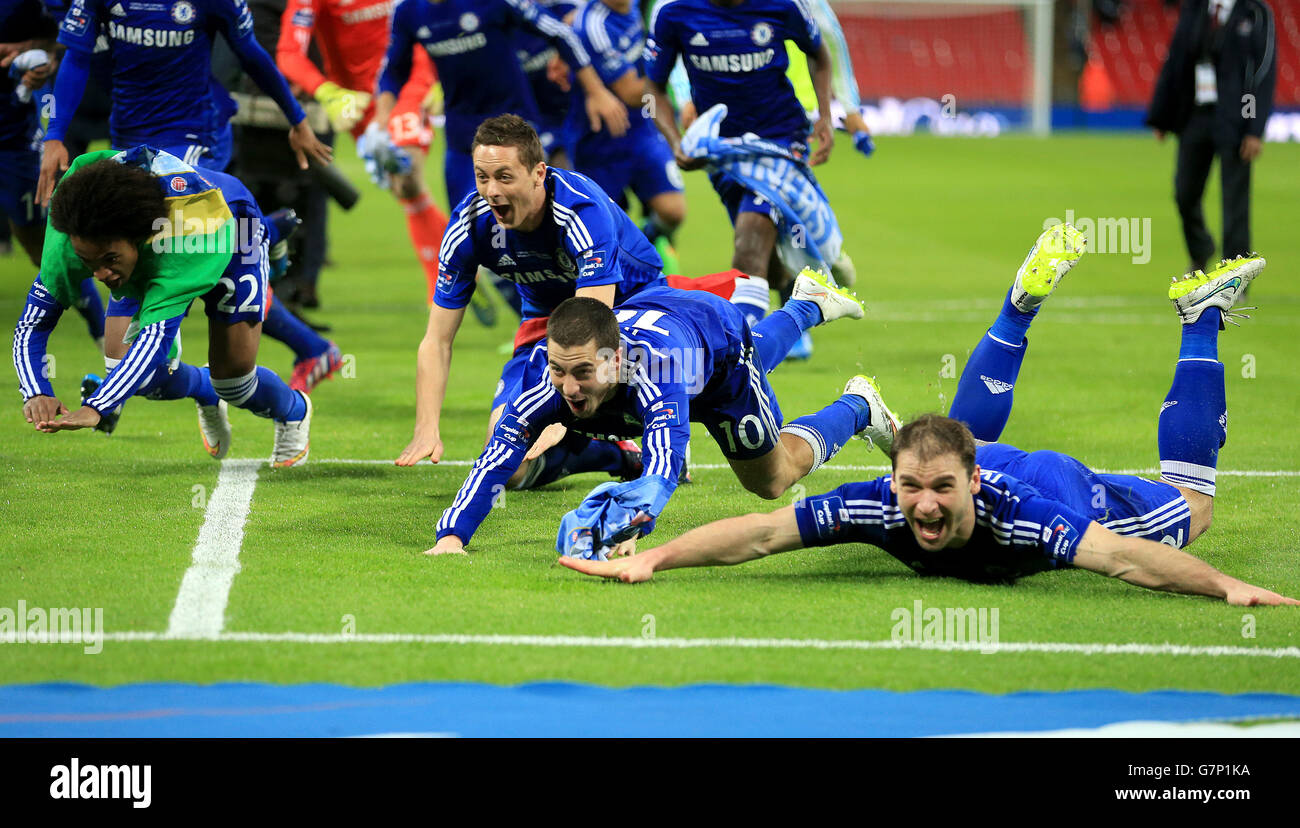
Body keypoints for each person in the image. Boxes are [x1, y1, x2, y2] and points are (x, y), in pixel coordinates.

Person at [558, 230, 1296, 608]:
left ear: (972, 486)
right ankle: (1017, 312)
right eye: (913, 488)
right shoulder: (886, 501)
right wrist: (652, 557)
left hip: (1053, 483)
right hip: (983, 457)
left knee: (1192, 512)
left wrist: (1224, 584)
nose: (924, 505)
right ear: (898, 480)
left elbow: (1129, 560)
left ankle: (1198, 319)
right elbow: (758, 533)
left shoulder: (1032, 518)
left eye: (940, 491)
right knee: (954, 444)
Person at [395, 114, 768, 472]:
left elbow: (593, 323)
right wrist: (426, 427)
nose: (492, 191)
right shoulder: (468, 228)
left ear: (538, 173)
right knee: (508, 459)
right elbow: (437, 340)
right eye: (482, 177)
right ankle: (616, 456)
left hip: (632, 309)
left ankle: (664, 436)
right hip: (547, 322)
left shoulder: (579, 210)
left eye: (504, 177)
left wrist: (556, 412)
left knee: (621, 391)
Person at [425, 273, 888, 557]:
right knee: (758, 357)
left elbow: (666, 464)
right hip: (668, 322)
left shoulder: (656, 372)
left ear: (614, 358)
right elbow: (497, 458)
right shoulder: (550, 378)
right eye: (558, 370)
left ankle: (859, 405)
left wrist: (632, 520)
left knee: (772, 479)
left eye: (582, 372)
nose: (567, 388)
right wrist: (452, 536)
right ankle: (807, 303)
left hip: (715, 345)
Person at [13, 147, 314, 467]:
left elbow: (154, 340)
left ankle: (295, 410)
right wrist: (36, 390)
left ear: (141, 239)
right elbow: (32, 324)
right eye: (90, 262)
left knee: (234, 382)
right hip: (153, 245)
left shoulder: (178, 251)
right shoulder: (74, 233)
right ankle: (203, 390)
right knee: (127, 373)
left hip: (230, 229)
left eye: (109, 261)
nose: (100, 276)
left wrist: (96, 407)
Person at [644, 0, 845, 360]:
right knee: (760, 239)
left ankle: (745, 357)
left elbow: (820, 53)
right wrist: (677, 143)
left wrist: (826, 115)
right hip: (719, 150)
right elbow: (653, 88)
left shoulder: (783, 6)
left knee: (751, 237)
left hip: (780, 140)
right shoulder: (675, 13)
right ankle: (797, 299)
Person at [276, 0, 451, 304]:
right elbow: (289, 53)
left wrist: (435, 73)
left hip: (408, 81)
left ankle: (443, 284)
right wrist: (326, 92)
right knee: (404, 189)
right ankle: (452, 270)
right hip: (357, 100)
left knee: (407, 174)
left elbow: (422, 16)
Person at [1146, 0, 1275, 273]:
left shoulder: (1256, 12)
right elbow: (1176, 58)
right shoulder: (1195, 7)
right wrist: (1162, 114)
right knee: (1185, 192)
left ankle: (1235, 273)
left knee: (1235, 203)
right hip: (1195, 116)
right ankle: (1201, 248)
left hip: (1236, 120)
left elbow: (1260, 73)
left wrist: (1253, 126)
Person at [565, 0, 686, 269]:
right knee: (607, 230)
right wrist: (675, 68)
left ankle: (647, 241)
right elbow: (632, 92)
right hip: (600, 143)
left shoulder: (635, 7)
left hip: (641, 130)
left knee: (673, 210)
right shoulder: (593, 26)